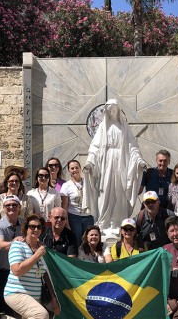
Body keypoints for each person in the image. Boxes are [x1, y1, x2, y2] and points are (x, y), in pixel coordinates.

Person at [0, 215, 60, 319]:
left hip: (33, 296)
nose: (35, 229)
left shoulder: (41, 247)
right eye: (32, 226)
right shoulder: (18, 245)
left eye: (39, 227)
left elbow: (45, 274)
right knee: (42, 316)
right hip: (16, 293)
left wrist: (53, 298)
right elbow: (17, 270)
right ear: (26, 228)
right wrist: (37, 255)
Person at [83, 99, 146, 228]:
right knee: (105, 190)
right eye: (110, 109)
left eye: (114, 109)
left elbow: (132, 147)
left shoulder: (124, 127)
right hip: (106, 163)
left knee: (119, 190)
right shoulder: (103, 127)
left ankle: (118, 221)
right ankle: (104, 220)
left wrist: (139, 160)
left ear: (118, 110)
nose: (112, 111)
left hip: (121, 163)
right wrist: (90, 161)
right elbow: (95, 147)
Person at [0, 195, 23, 314]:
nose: (11, 207)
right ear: (3, 208)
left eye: (14, 205)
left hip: (21, 268)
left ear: (19, 207)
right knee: (5, 306)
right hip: (4, 269)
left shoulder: (25, 224)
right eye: (8, 205)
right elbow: (1, 245)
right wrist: (17, 241)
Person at [61, 160, 94, 247]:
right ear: (69, 171)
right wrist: (66, 223)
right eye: (72, 168)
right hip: (74, 216)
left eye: (76, 167)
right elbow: (64, 206)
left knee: (89, 241)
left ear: (80, 169)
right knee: (77, 241)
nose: (75, 170)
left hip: (88, 216)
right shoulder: (66, 186)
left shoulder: (88, 182)